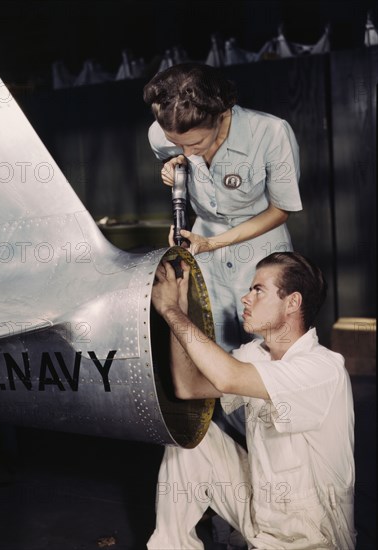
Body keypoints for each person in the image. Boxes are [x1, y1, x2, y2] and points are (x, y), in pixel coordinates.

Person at [147, 252, 356, 550]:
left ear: (292, 302)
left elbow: (227, 377)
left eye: (258, 290)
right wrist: (179, 309)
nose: (245, 298)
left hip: (313, 540)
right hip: (261, 515)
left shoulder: (322, 369)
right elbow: (188, 386)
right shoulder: (256, 354)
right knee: (190, 442)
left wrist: (169, 310)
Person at [143, 62, 302, 353]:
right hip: (204, 253)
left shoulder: (271, 132)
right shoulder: (162, 132)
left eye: (197, 143)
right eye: (179, 145)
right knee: (210, 342)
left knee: (270, 348)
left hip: (261, 247)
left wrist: (212, 243)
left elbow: (281, 210)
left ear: (221, 114)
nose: (188, 152)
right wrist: (173, 164)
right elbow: (172, 151)